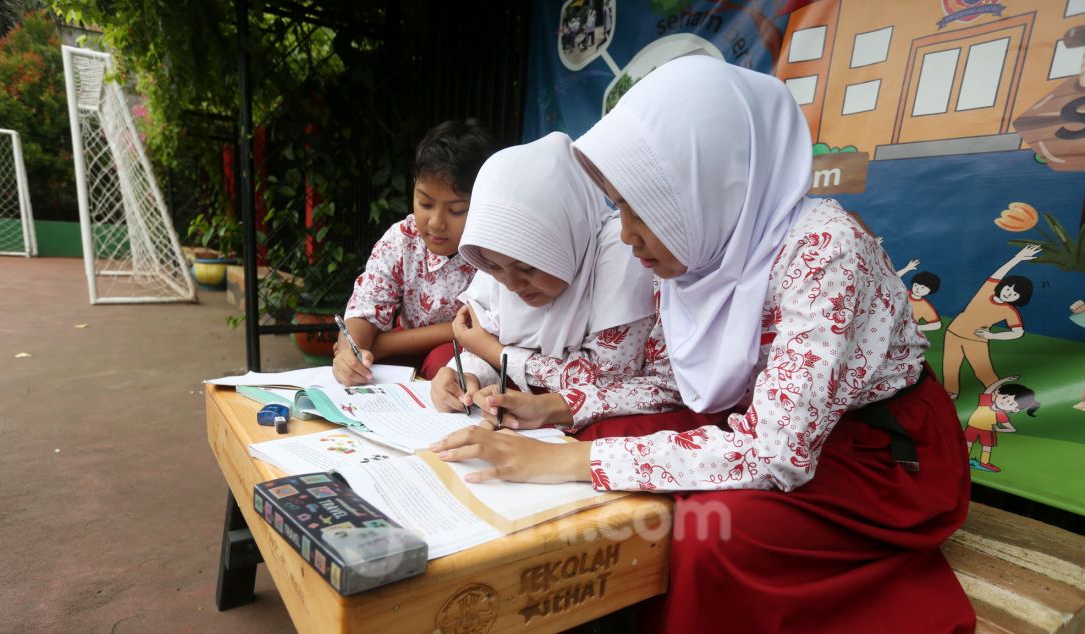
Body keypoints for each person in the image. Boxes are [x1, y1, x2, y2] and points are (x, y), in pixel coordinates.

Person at [430, 56, 974, 631]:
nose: (627, 234)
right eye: (618, 207)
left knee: (708, 531)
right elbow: (672, 385)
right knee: (610, 443)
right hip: (772, 430)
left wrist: (572, 460)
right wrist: (561, 406)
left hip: (880, 454)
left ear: (714, 183)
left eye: (643, 208)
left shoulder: (825, 251)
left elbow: (776, 452)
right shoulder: (696, 257)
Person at [430, 131, 683, 433]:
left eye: (527, 268)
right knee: (440, 360)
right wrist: (468, 377)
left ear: (567, 238)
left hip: (609, 397)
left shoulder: (619, 252)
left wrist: (494, 352)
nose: (510, 284)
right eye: (495, 268)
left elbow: (607, 380)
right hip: (531, 392)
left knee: (605, 432)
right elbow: (489, 338)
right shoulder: (501, 248)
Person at [333, 119, 497, 385]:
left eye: (456, 210)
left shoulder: (495, 252)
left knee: (446, 364)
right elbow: (365, 310)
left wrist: (385, 343)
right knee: (369, 368)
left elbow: (480, 330)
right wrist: (349, 355)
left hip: (465, 357)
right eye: (425, 203)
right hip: (406, 355)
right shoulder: (402, 241)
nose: (436, 223)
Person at [941, 244, 1040, 399]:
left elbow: (1018, 332)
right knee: (950, 365)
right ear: (1002, 286)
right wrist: (1017, 258)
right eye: (1008, 289)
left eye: (1015, 294)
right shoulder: (987, 290)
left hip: (976, 339)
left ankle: (1000, 396)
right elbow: (998, 274)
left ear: (1020, 298)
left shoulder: (1009, 311)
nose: (1009, 293)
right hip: (953, 332)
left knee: (984, 371)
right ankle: (950, 392)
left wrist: (992, 336)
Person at [964, 375, 1040, 473]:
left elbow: (1011, 429)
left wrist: (998, 429)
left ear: (1015, 409)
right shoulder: (986, 403)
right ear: (997, 393)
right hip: (972, 427)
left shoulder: (1000, 415)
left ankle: (985, 463)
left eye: (1010, 403)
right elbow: (988, 390)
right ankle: (963, 457)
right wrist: (1004, 380)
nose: (1005, 402)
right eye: (1004, 397)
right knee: (968, 443)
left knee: (987, 447)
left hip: (988, 431)